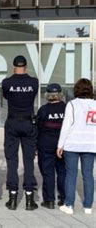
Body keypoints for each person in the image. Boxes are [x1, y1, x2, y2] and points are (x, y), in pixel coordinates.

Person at [2, 55, 39, 210]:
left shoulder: (7, 83)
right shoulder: (34, 82)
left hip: (12, 122)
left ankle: (12, 198)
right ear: (26, 67)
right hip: (28, 122)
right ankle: (29, 198)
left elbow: (6, 96)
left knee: (12, 161)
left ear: (13, 67)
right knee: (29, 161)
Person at [57, 78, 96, 215]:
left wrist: (60, 145)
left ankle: (69, 205)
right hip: (91, 145)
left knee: (71, 175)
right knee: (88, 175)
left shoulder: (72, 104)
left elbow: (66, 126)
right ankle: (88, 206)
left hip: (73, 144)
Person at [36, 83, 66, 209]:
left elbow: (37, 129)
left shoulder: (43, 110)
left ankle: (49, 200)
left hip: (46, 144)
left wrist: (35, 147)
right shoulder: (67, 108)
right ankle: (64, 198)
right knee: (63, 172)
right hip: (63, 145)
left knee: (48, 172)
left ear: (47, 95)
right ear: (61, 95)